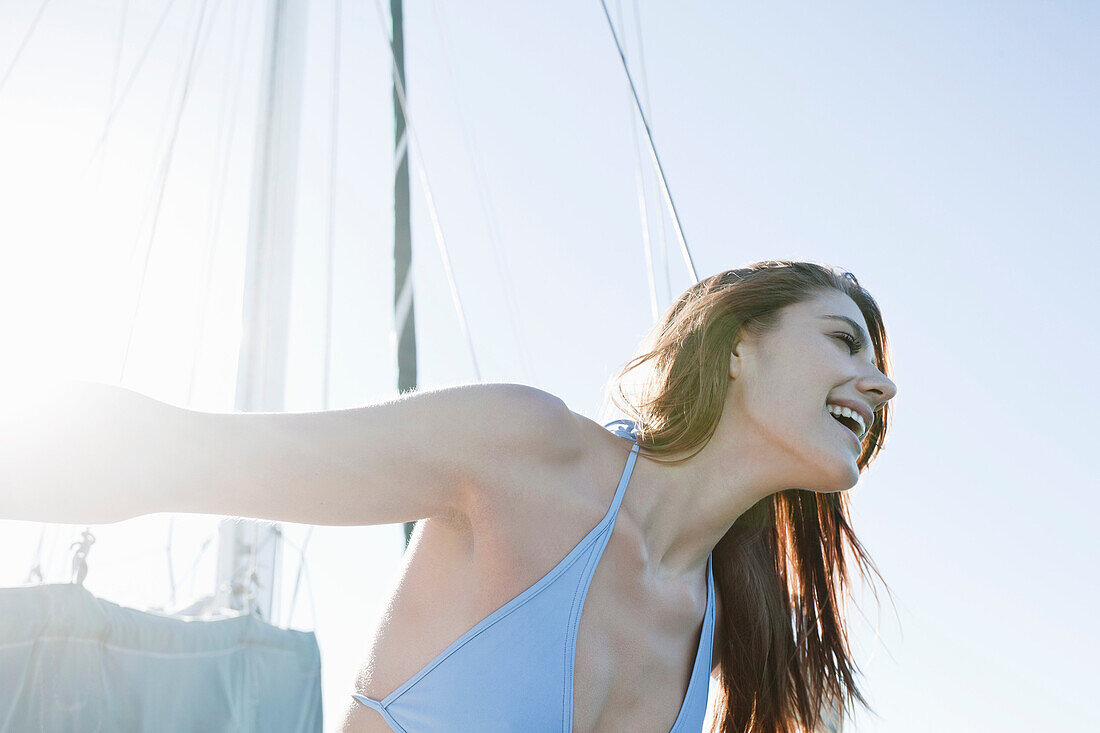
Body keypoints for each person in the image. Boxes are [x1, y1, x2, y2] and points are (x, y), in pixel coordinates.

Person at [1, 260, 897, 733]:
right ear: (738, 343)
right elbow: (177, 455)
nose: (878, 383)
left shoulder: (742, 633)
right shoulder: (528, 453)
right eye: (843, 341)